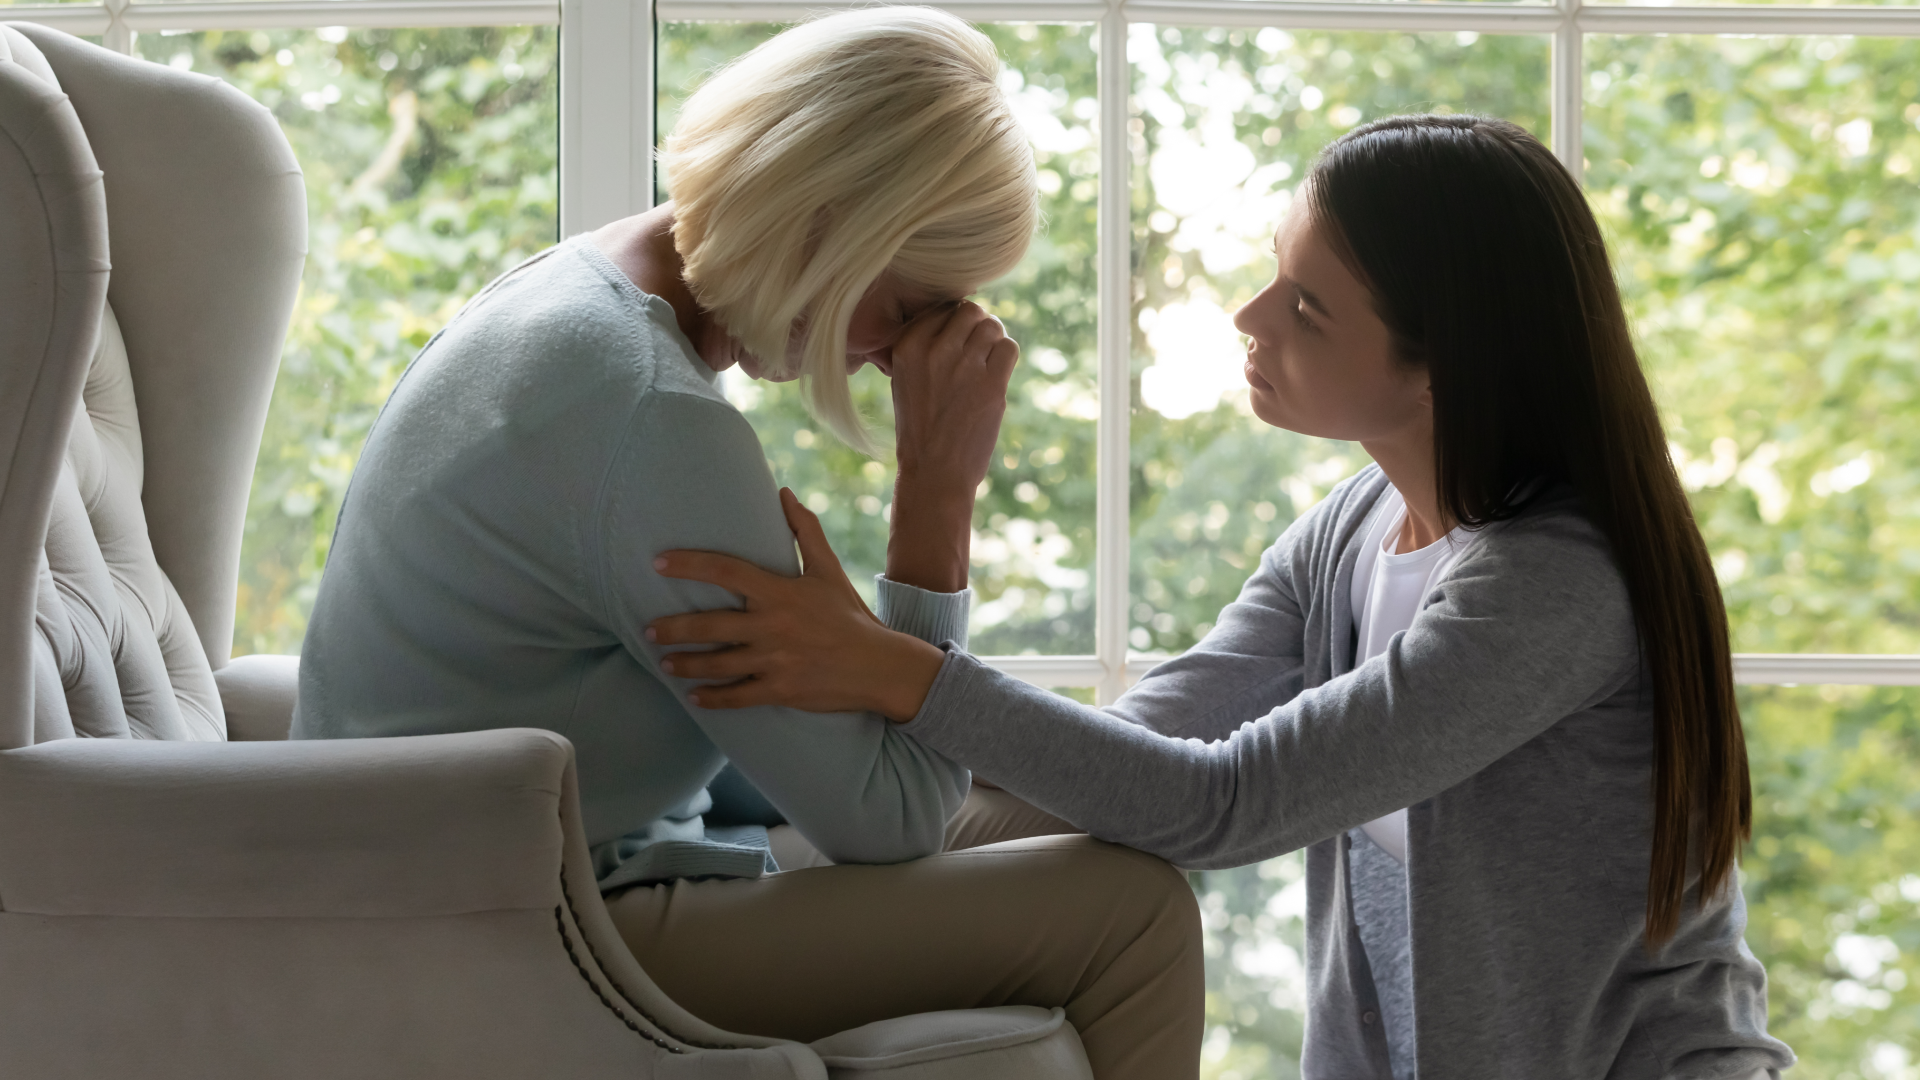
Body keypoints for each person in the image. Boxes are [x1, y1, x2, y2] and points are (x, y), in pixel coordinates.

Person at [648, 115, 1798, 1079]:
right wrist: (811, 800)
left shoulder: (1551, 588)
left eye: (1306, 308)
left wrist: (898, 673)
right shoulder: (1350, 531)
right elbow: (1133, 755)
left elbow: (1222, 804)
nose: (1250, 319)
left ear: (1440, 361)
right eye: (1274, 275)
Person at [292, 8, 1201, 1079]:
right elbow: (897, 821)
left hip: (490, 882)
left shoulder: (573, 295)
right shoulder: (650, 415)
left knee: (1040, 808)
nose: (888, 360)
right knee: (1134, 911)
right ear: (832, 227)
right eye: (908, 311)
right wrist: (937, 491)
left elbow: (826, 772)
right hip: (529, 935)